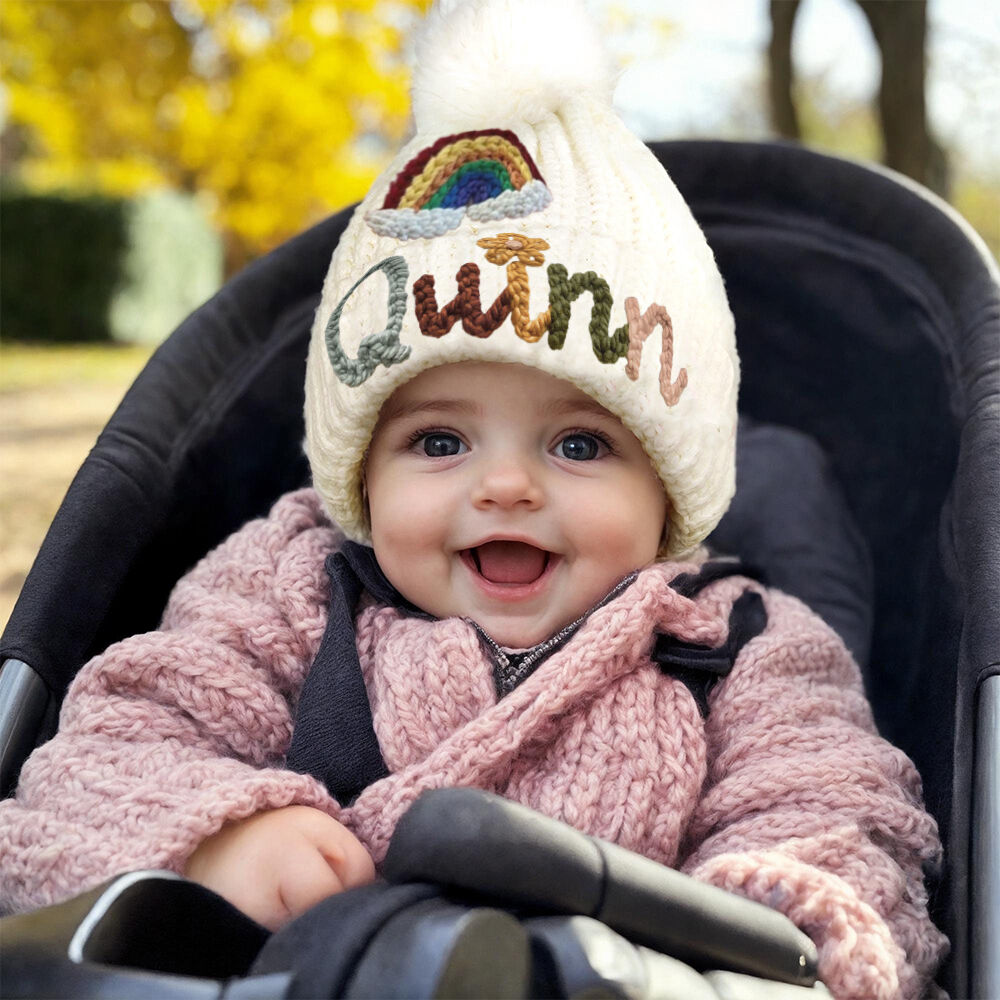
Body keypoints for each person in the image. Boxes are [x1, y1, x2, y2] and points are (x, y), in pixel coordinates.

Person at [0, 1, 947, 996]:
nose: (504, 484)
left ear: (667, 493)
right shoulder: (287, 584)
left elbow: (830, 807)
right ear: (362, 473)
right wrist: (220, 834)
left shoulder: (740, 642)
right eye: (438, 440)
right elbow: (110, 748)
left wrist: (757, 943)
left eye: (578, 443)